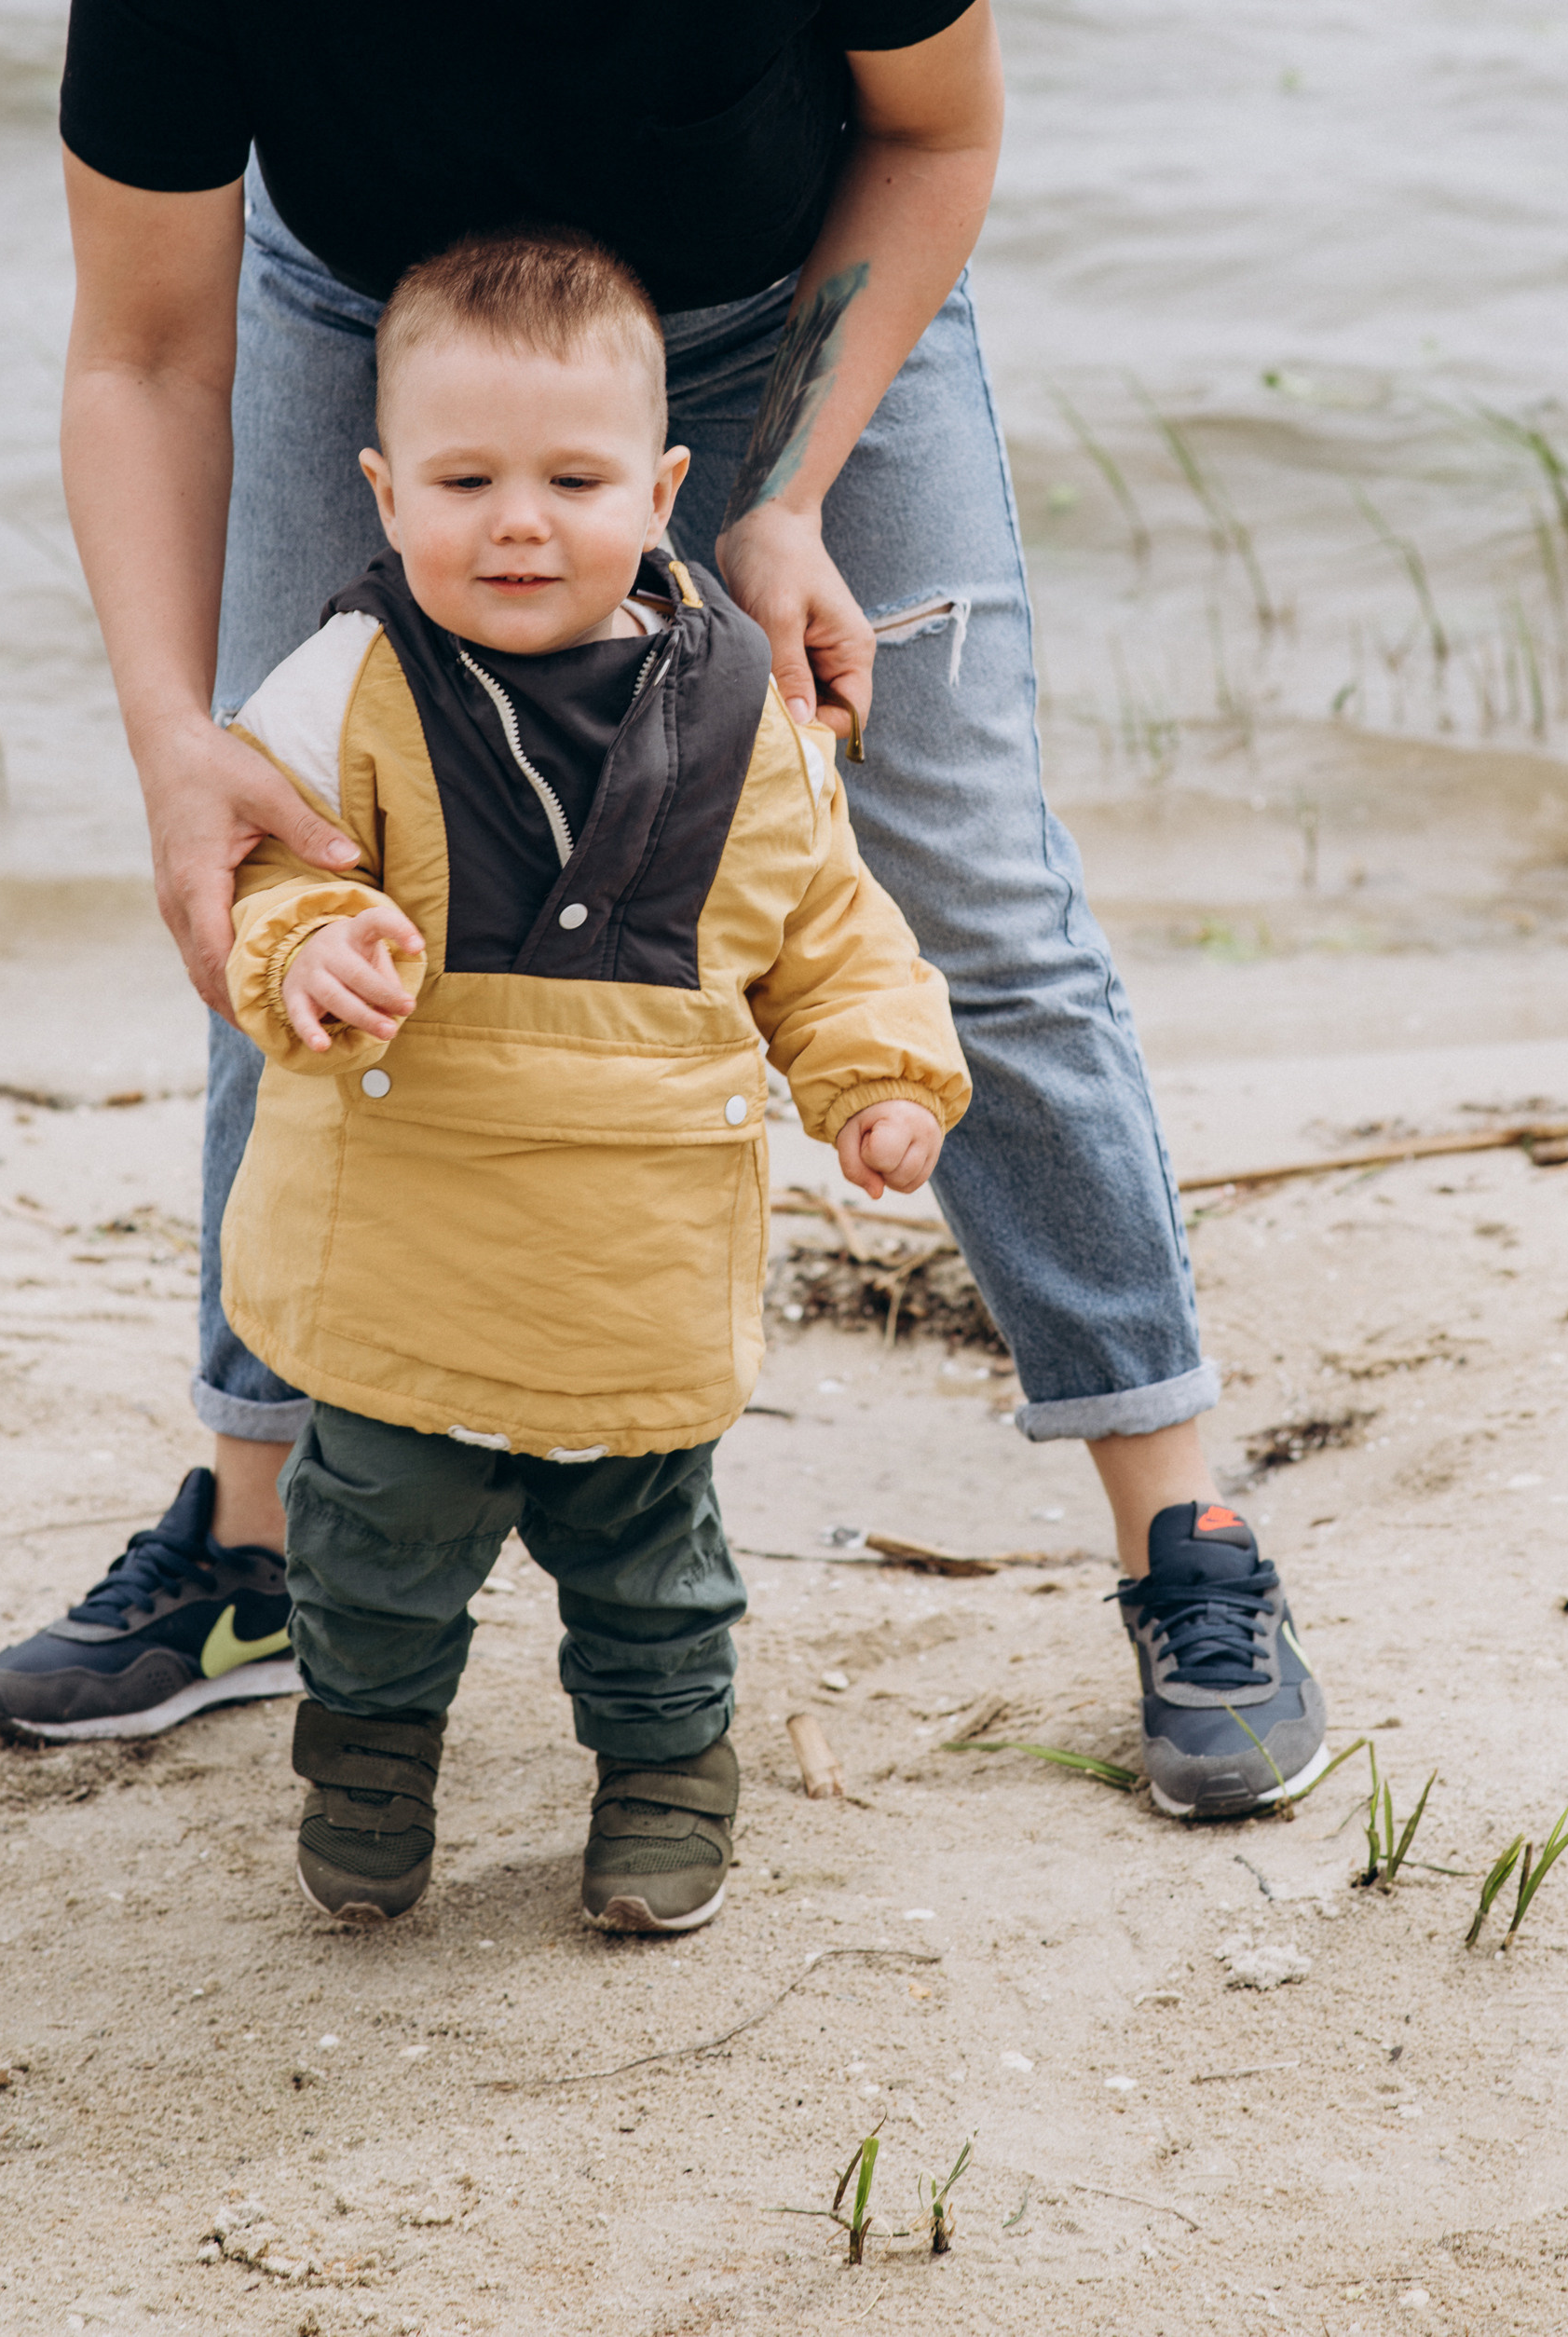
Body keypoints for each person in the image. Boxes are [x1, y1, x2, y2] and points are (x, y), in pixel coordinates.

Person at [0, 0, 1328, 1823]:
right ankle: (259, 1530)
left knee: (968, 891)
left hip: (774, 316)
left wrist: (792, 481)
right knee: (286, 853)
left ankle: (1184, 1518)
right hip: (377, 337)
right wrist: (175, 736)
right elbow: (145, 345)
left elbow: (936, 133)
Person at [217, 229, 965, 1929]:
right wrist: (310, 944)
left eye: (573, 476)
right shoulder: (341, 687)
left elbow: (824, 932)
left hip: (633, 1250)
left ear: (664, 486)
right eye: (464, 477)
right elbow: (268, 869)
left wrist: (878, 1084)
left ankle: (663, 1781)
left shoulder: (746, 718)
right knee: (371, 1540)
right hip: (406, 1231)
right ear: (382, 489)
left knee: (652, 1566)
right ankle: (369, 1762)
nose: (519, 520)